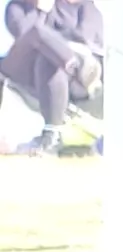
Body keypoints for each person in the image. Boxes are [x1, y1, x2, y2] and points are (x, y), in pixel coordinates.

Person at [1, 0, 96, 155]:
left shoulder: (64, 6)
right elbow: (24, 34)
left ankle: (52, 133)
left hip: (48, 69)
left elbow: (75, 35)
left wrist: (55, 46)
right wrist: (41, 11)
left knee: (49, 60)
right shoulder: (15, 7)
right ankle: (76, 64)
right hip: (18, 67)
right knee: (36, 32)